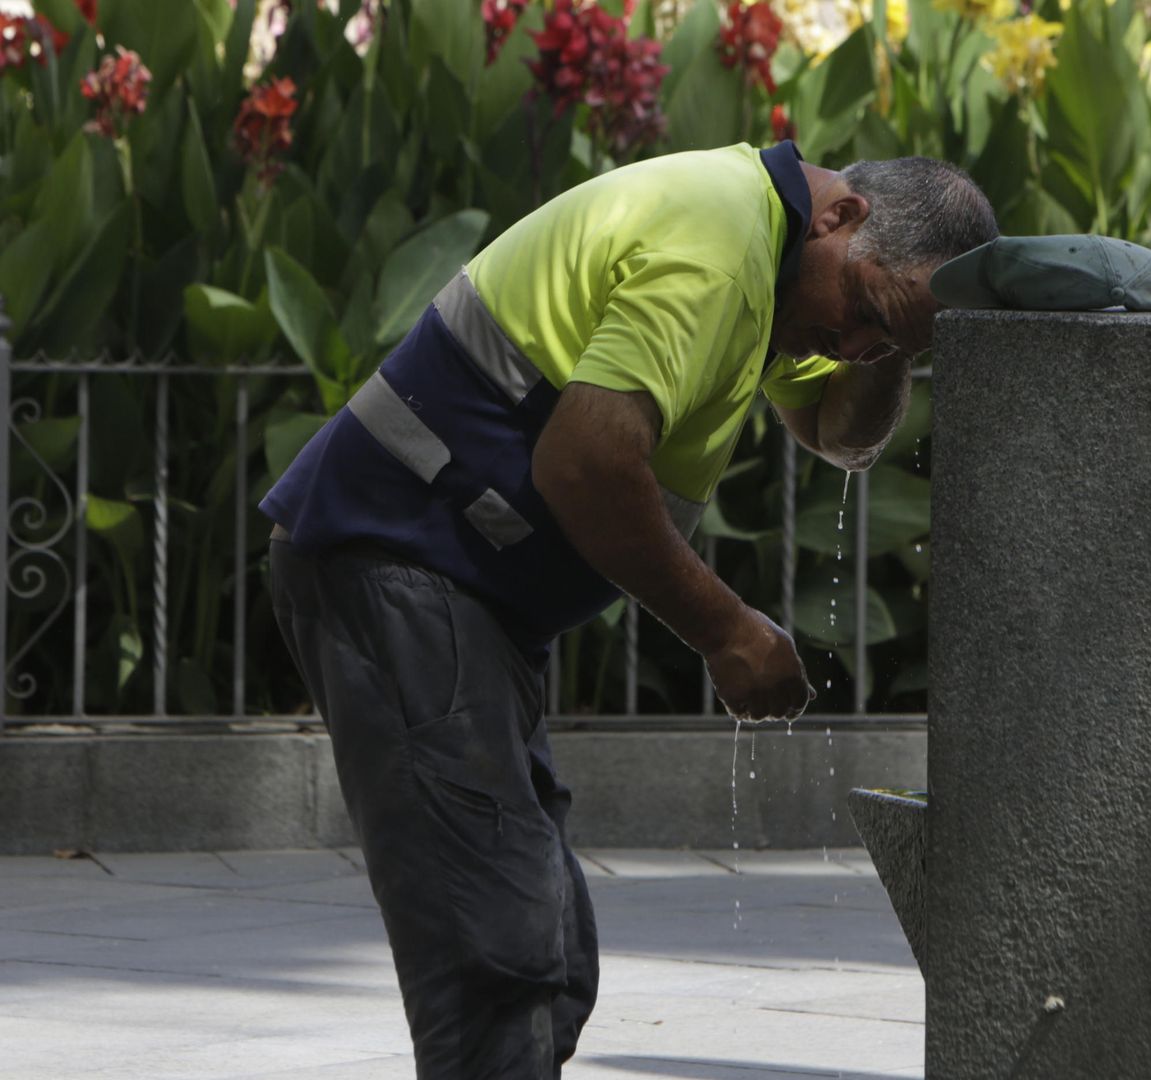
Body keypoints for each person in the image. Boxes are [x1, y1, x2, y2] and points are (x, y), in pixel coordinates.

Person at [263, 140, 997, 1079]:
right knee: (496, 953)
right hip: (395, 562)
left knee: (551, 962)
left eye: (881, 339)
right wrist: (728, 632)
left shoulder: (776, 255)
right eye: (863, 312)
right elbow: (585, 461)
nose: (855, 344)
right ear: (840, 217)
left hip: (455, 593)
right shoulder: (718, 247)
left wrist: (895, 332)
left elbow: (839, 432)